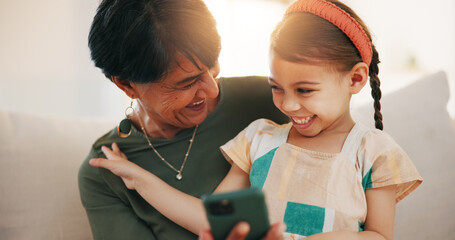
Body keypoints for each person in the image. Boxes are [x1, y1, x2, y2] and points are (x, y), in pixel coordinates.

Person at [90, 0, 424, 239]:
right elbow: (211, 215)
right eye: (276, 88)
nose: (289, 105)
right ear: (126, 84)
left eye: (304, 90)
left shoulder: (375, 151)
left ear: (355, 80)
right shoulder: (259, 138)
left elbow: (380, 234)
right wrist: (139, 179)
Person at [77, 0, 289, 239]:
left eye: (213, 66)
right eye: (188, 83)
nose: (212, 90)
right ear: (126, 85)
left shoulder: (276, 99)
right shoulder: (106, 171)